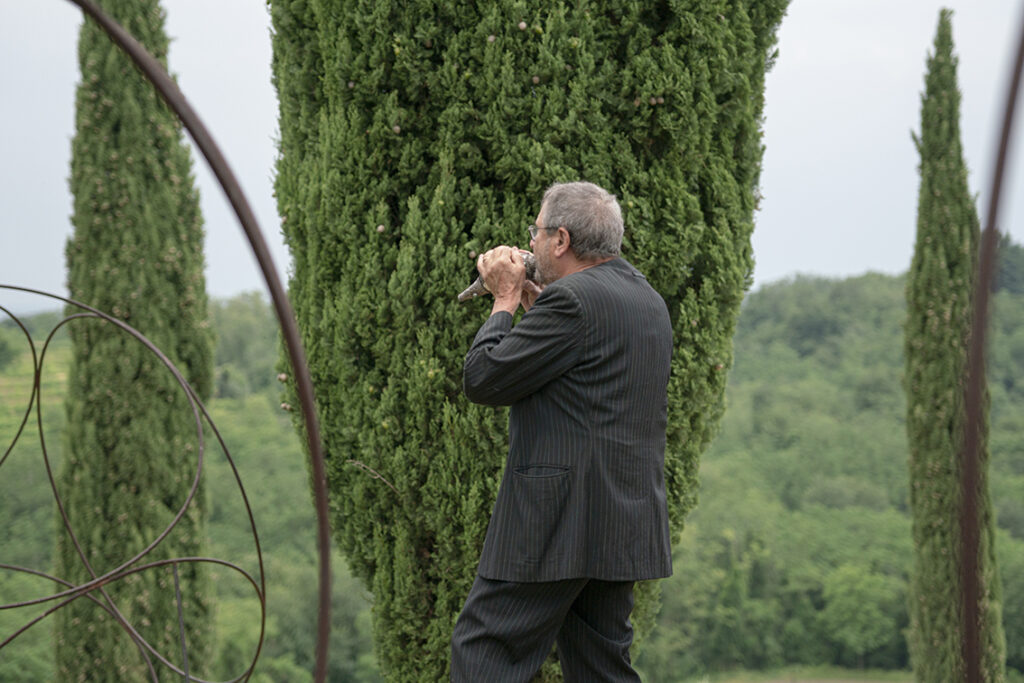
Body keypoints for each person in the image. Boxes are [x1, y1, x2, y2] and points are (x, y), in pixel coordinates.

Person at [451, 181, 673, 681]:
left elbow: (484, 379)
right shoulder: (646, 299)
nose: (531, 242)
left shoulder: (571, 301)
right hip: (622, 521)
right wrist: (536, 312)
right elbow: (585, 379)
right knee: (601, 668)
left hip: (555, 524)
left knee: (485, 651)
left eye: (537, 231)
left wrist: (504, 299)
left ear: (561, 240)